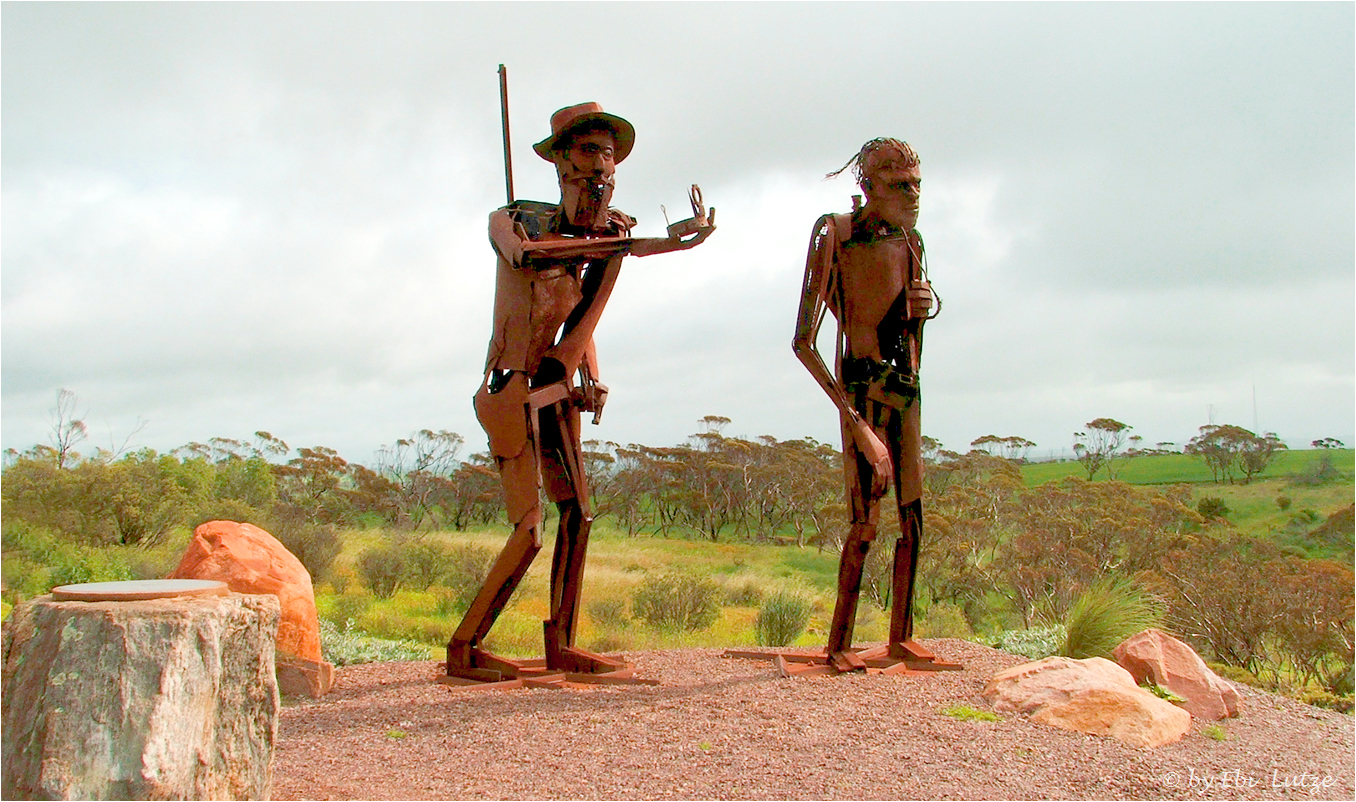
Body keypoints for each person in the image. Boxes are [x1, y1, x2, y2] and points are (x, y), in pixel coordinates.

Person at [447, 103, 714, 683]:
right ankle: (464, 645)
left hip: (554, 386)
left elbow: (582, 316)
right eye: (589, 153)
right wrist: (642, 246)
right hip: (510, 386)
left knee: (580, 515)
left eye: (609, 156)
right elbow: (527, 257)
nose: (602, 168)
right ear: (561, 161)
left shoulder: (608, 236)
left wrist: (588, 371)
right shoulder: (515, 219)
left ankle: (560, 644)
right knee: (528, 529)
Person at [790, 137, 957, 674]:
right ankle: (839, 641)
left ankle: (899, 637)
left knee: (914, 516)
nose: (912, 195)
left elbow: (912, 338)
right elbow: (804, 341)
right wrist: (856, 422)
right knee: (865, 522)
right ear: (867, 186)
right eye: (898, 186)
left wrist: (920, 312)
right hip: (860, 392)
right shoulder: (835, 235)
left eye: (916, 185)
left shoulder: (912, 241)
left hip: (903, 392)